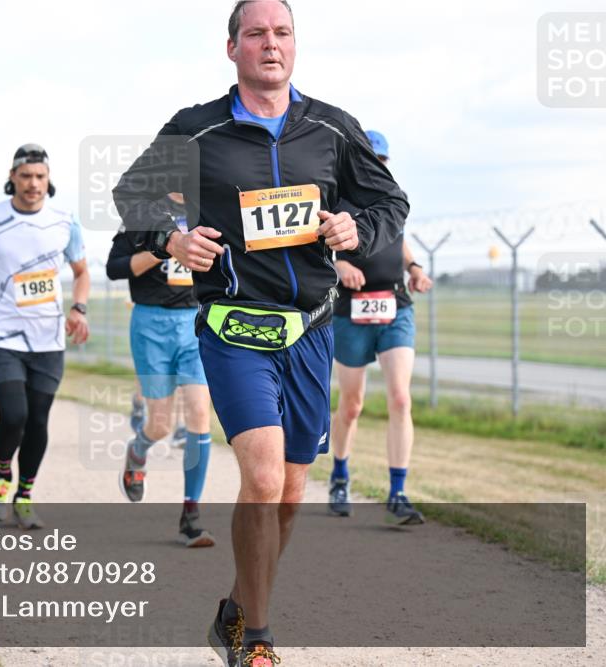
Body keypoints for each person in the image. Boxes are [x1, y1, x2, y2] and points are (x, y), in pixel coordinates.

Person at [111, 2, 409, 663]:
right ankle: (259, 640)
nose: (270, 44)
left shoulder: (332, 127)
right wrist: (171, 238)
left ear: (294, 45)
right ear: (232, 48)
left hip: (309, 330)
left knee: (291, 493)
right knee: (266, 477)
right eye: (256, 34)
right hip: (233, 328)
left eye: (282, 33)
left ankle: (234, 612)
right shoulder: (196, 128)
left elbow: (391, 201)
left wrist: (358, 227)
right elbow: (133, 194)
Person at [0, 143, 90, 530]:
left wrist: (79, 309)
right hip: (3, 335)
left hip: (48, 338)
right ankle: (3, 475)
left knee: (38, 420)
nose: (33, 183)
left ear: (48, 180)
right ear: (12, 178)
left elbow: (81, 272)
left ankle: (25, 495)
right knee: (14, 414)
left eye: (40, 177)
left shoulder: (65, 221)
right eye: (26, 176)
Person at [328, 130, 433, 525]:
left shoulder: (391, 198)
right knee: (351, 405)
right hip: (350, 311)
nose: (377, 167)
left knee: (401, 399)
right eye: (371, 160)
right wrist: (339, 264)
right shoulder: (337, 201)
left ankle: (398, 493)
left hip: (395, 307)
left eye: (382, 161)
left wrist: (414, 268)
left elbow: (398, 239)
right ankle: (340, 476)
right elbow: (318, 249)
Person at [107, 192, 215, 548]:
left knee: (199, 413)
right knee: (160, 425)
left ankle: (191, 513)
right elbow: (115, 268)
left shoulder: (208, 209)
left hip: (196, 321)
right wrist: (164, 247)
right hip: (150, 324)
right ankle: (138, 451)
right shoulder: (143, 213)